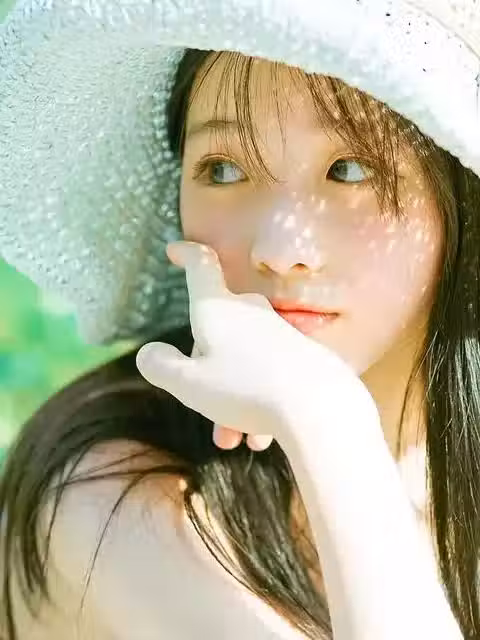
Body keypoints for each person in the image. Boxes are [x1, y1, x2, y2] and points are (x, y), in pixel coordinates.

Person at [0, 1, 479, 638]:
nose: (278, 249)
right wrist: (329, 423)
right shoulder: (112, 494)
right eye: (223, 169)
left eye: (350, 169)